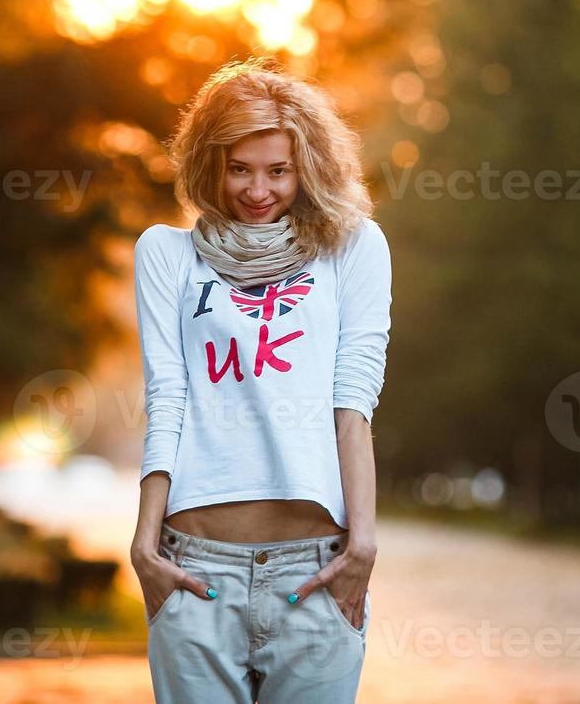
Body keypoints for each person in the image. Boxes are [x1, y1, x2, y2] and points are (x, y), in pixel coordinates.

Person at [131, 57, 392, 703]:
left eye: (278, 170)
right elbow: (169, 394)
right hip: (196, 572)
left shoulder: (352, 247)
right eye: (239, 168)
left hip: (316, 572)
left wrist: (362, 545)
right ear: (208, 164)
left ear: (308, 168)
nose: (257, 190)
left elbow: (353, 405)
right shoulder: (167, 253)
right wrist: (144, 545)